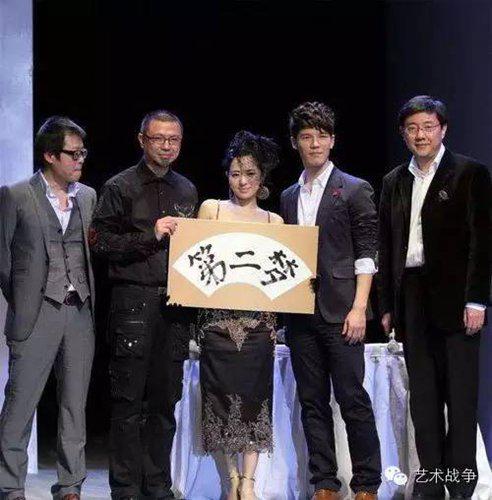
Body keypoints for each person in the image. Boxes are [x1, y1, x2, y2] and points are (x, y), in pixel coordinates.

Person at [378, 95, 491, 499]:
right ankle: (430, 483)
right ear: (403, 134)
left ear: (443, 129)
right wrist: (387, 306)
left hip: (457, 300)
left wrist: (476, 300)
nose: (420, 135)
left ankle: (460, 485)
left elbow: (483, 242)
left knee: (460, 399)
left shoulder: (469, 173)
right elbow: (386, 245)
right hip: (411, 297)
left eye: (428, 126)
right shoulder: (394, 181)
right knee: (423, 401)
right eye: (412, 128)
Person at [89, 110, 198, 500]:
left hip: (175, 306)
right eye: (159, 138)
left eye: (174, 139)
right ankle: (125, 488)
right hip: (132, 303)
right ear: (142, 140)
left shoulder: (186, 189)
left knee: (165, 402)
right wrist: (150, 235)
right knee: (128, 402)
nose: (166, 146)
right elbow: (99, 242)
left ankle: (158, 485)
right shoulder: (120, 186)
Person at [280, 102, 381, 500]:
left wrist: (359, 308)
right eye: (307, 137)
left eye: (322, 136)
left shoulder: (354, 188)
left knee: (353, 400)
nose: (315, 143)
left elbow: (367, 252)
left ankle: (367, 483)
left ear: (333, 140)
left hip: (342, 311)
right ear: (295, 143)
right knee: (312, 402)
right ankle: (324, 482)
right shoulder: (288, 196)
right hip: (300, 314)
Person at [0, 116, 96, 500]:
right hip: (37, 311)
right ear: (50, 155)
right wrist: (25, 298)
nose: (80, 160)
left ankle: (70, 485)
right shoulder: (16, 195)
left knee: (74, 405)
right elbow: (4, 262)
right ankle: (10, 486)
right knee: (20, 403)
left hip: (79, 311)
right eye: (73, 154)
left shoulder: (87, 197)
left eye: (83, 153)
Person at [197, 130, 283, 500]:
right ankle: (229, 479)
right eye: (235, 174)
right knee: (217, 403)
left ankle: (248, 482)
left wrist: (273, 323)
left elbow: (280, 282)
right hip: (216, 325)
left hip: (257, 328)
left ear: (261, 178)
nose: (243, 181)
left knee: (253, 402)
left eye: (250, 174)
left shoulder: (274, 221)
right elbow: (196, 266)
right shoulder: (211, 209)